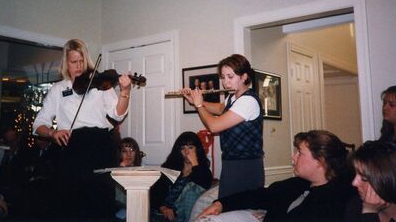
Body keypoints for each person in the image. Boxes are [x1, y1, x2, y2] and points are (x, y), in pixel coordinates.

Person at [32, 38, 132, 219]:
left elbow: (118, 114)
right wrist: (53, 133)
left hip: (100, 147)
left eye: (81, 61)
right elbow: (38, 124)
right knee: (72, 207)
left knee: (100, 206)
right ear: (66, 63)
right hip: (71, 149)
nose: (79, 66)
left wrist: (125, 92)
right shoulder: (58, 89)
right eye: (73, 62)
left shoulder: (100, 84)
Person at [197, 130, 355, 222]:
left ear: (320, 162)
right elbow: (260, 195)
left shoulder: (334, 202)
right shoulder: (299, 184)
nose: (293, 158)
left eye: (300, 153)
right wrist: (221, 204)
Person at [181, 54, 264, 198]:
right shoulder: (233, 97)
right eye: (223, 77)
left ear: (244, 76)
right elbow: (220, 109)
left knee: (239, 212)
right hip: (231, 163)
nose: (225, 82)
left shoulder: (248, 101)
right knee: (225, 207)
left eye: (230, 77)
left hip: (246, 166)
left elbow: (214, 127)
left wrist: (199, 104)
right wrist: (193, 101)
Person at [344, 140, 396, 222]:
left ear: (387, 179)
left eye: (364, 177)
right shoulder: (355, 207)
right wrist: (369, 212)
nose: (354, 183)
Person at [150, 131, 212, 222]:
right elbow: (155, 192)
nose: (186, 152)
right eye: (183, 148)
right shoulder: (170, 166)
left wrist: (195, 162)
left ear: (197, 149)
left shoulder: (202, 169)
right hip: (163, 212)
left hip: (183, 214)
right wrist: (163, 208)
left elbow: (204, 184)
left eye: (190, 148)